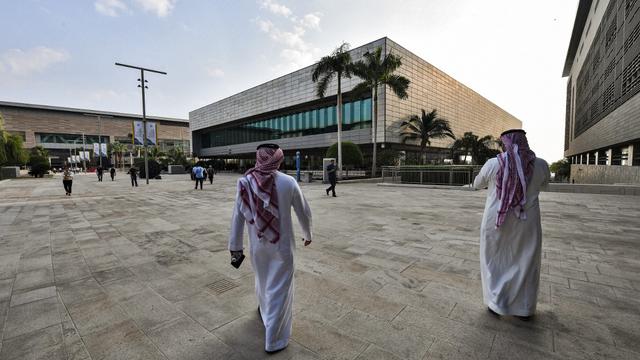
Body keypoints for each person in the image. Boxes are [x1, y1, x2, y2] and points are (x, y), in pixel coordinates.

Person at [228, 143, 312, 353]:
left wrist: (235, 248)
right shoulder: (288, 182)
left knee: (263, 283)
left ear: (258, 158)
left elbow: (237, 218)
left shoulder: (245, 182)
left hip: (258, 248)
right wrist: (308, 233)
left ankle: (266, 315)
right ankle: (274, 340)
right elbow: (303, 211)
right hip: (282, 248)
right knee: (279, 291)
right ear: (278, 160)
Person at [472, 129, 550, 321]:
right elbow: (545, 185)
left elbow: (476, 184)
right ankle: (524, 308)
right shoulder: (541, 165)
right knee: (525, 262)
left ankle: (496, 303)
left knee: (495, 261)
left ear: (505, 143)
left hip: (496, 222)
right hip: (527, 223)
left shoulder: (493, 164)